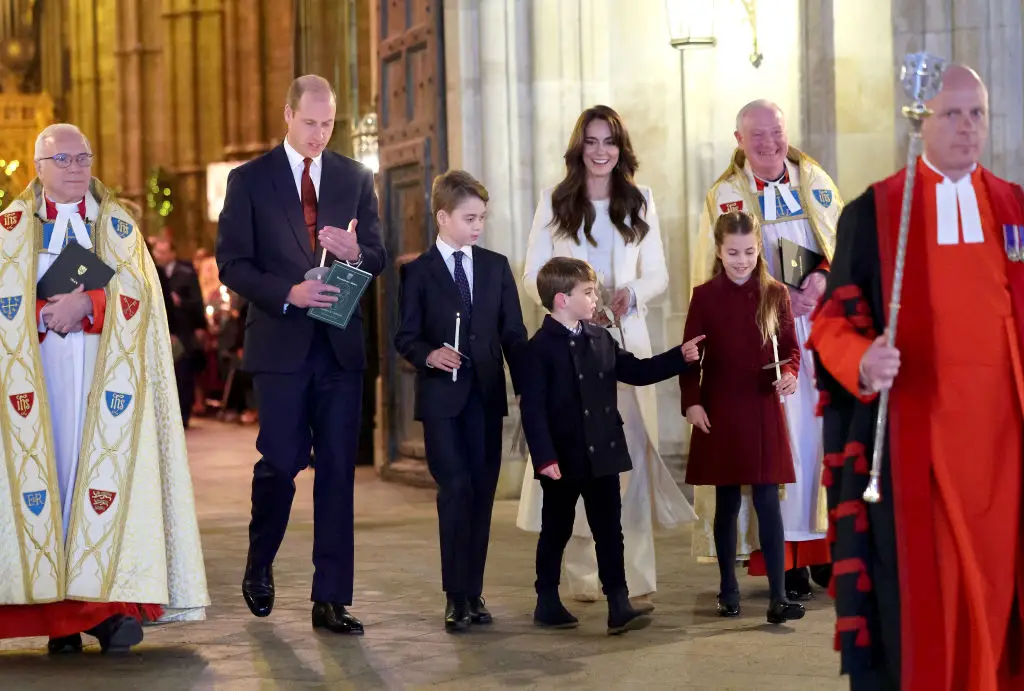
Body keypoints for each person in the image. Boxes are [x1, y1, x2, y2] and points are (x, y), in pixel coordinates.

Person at [810, 64, 1024, 690]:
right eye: (952, 114)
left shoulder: (1015, 207)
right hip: (918, 448)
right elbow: (831, 325)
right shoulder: (876, 214)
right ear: (921, 121)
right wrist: (864, 361)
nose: (966, 127)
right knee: (927, 590)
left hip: (1005, 451)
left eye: (977, 114)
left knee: (999, 586)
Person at [0, 123, 208, 653]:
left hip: (102, 386)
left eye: (83, 158)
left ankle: (101, 608)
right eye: (63, 159)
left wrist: (88, 306)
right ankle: (57, 616)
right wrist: (43, 315)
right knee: (49, 490)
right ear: (38, 167)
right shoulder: (10, 229)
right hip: (37, 386)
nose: (76, 169)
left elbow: (143, 300)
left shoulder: (116, 227)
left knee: (95, 490)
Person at [216, 74, 386, 635]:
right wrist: (288, 292)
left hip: (340, 346)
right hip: (281, 346)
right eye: (310, 122)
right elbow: (232, 263)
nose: (319, 134)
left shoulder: (356, 177)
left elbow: (378, 255)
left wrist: (355, 250)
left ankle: (331, 598)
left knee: (338, 472)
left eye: (328, 123)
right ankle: (259, 561)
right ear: (287, 114)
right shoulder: (249, 180)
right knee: (281, 462)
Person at [518, 105, 694, 608]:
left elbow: (658, 272)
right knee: (574, 456)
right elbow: (532, 273)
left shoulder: (641, 201)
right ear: (580, 147)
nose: (600, 151)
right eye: (592, 141)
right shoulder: (556, 201)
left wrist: (630, 294)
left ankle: (634, 575)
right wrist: (569, 302)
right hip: (568, 342)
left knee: (627, 457)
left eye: (609, 142)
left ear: (621, 148)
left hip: (624, 342)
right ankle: (581, 576)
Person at [689, 100, 841, 598]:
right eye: (756, 136)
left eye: (775, 132)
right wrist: (776, 298)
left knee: (819, 441)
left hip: (819, 335)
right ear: (738, 140)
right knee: (781, 445)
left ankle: (821, 550)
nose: (769, 143)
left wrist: (821, 280)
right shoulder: (725, 197)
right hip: (764, 343)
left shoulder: (814, 179)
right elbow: (713, 273)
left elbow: (840, 243)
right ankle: (785, 559)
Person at [519, 257, 703, 634]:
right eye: (587, 293)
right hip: (564, 457)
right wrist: (544, 457)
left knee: (609, 528)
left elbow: (636, 371)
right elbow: (533, 411)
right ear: (560, 300)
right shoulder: (538, 349)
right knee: (556, 527)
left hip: (602, 449)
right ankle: (547, 600)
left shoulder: (600, 338)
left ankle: (618, 601)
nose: (596, 298)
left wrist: (678, 357)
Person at [394, 170, 528, 632]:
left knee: (483, 495)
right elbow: (405, 336)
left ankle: (474, 590)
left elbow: (513, 333)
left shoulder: (495, 266)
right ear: (442, 216)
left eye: (483, 218)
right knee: (455, 491)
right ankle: (455, 595)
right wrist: (429, 353)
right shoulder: (418, 272)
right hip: (442, 403)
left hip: (486, 399)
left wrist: (531, 384)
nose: (478, 227)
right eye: (470, 218)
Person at [681, 210, 806, 625]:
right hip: (719, 407)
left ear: (759, 250)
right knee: (728, 501)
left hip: (761, 406)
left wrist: (789, 376)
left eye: (749, 251)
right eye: (733, 252)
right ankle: (727, 589)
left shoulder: (775, 294)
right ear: (718, 250)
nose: (741, 259)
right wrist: (692, 401)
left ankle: (778, 596)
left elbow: (791, 349)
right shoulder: (704, 295)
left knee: (768, 501)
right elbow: (689, 357)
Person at [152, 237, 207, 428]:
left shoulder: (186, 273)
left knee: (184, 374)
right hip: (164, 329)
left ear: (172, 253)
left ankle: (184, 414)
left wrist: (181, 303)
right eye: (157, 252)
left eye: (163, 252)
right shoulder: (153, 271)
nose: (159, 256)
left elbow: (197, 301)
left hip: (183, 330)